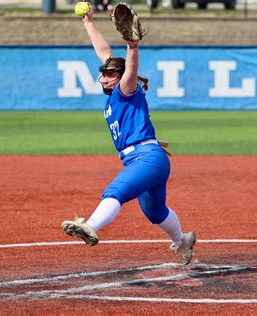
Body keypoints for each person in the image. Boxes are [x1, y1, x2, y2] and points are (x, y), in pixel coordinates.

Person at [61, 3, 196, 265]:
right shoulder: (115, 95)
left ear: (121, 77)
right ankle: (183, 240)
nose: (105, 77)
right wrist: (88, 22)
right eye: (103, 74)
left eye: (111, 74)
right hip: (148, 159)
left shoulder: (126, 88)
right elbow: (105, 54)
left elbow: (128, 67)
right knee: (154, 211)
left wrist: (132, 47)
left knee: (116, 191)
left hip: (146, 157)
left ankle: (91, 226)